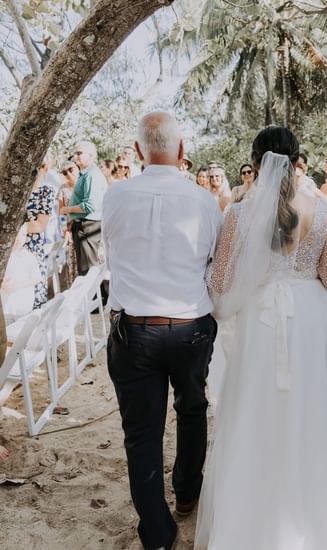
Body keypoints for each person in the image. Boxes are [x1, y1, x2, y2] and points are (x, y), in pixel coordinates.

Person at [195, 127, 327, 550]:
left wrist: (228, 305)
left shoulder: (238, 214)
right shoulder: (322, 210)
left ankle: (252, 519)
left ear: (255, 163)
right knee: (310, 412)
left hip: (261, 321)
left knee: (256, 411)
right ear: (297, 161)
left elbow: (219, 284)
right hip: (307, 318)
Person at [102, 112, 221, 550]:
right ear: (183, 151)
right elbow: (212, 261)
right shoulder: (205, 202)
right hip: (189, 326)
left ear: (137, 152)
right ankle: (187, 493)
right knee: (192, 409)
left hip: (133, 329)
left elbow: (108, 255)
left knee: (142, 432)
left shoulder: (115, 197)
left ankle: (157, 531)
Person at [61, 141, 108, 276]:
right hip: (84, 226)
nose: (75, 156)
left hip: (87, 226)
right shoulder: (86, 174)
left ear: (91, 155)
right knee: (87, 271)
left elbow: (89, 206)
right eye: (75, 153)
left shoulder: (92, 175)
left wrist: (67, 210)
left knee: (88, 273)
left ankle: (93, 298)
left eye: (79, 153)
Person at [24, 160, 55, 309]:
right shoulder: (15, 190)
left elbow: (40, 226)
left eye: (39, 166)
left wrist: (15, 230)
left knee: (33, 299)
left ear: (44, 168)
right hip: (12, 250)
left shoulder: (46, 191)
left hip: (32, 249)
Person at [1, 225, 41, 324]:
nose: (19, 239)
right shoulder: (3, 256)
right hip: (6, 306)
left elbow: (37, 278)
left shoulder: (28, 256)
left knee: (20, 332)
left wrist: (18, 285)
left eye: (22, 235)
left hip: (23, 306)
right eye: (16, 235)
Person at [57, 160, 80, 286]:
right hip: (70, 230)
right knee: (73, 262)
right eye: (64, 172)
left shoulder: (85, 185)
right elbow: (60, 213)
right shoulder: (63, 189)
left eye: (71, 169)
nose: (68, 174)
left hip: (87, 228)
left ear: (77, 168)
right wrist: (64, 230)